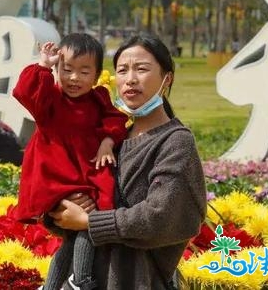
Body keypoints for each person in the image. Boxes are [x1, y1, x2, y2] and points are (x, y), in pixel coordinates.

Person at [48, 34, 207, 290]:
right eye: (122, 70)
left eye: (141, 69)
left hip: (137, 280)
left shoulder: (175, 142)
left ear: (168, 79)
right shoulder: (110, 140)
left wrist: (90, 222)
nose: (130, 79)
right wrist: (61, 207)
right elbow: (64, 190)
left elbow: (162, 216)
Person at [12, 33, 129, 290]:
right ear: (57, 69)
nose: (74, 78)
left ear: (97, 76)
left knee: (76, 234)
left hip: (84, 180)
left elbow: (115, 120)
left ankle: (52, 286)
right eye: (67, 69)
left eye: (84, 72)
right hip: (56, 182)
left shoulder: (98, 99)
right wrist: (42, 65)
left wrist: (107, 141)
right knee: (89, 223)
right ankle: (81, 281)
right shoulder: (50, 100)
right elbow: (25, 93)